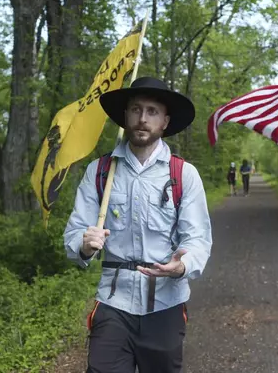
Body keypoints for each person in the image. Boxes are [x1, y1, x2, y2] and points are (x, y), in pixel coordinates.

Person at [64, 76, 213, 373]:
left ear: (165, 121)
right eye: (135, 109)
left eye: (152, 111)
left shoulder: (183, 175)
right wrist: (83, 244)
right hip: (112, 303)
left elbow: (198, 239)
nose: (142, 119)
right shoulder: (101, 171)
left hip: (165, 304)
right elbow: (74, 233)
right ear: (125, 116)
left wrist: (182, 266)